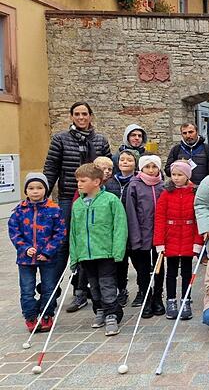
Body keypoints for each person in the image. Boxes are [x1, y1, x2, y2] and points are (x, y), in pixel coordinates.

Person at [43, 102, 111, 312]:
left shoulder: (100, 141)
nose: (81, 117)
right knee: (64, 244)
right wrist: (44, 196)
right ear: (71, 116)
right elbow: (51, 168)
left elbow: (108, 169)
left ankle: (81, 290)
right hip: (68, 198)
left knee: (88, 243)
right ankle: (50, 295)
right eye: (77, 114)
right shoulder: (60, 139)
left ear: (91, 116)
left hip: (95, 198)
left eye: (85, 114)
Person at [69, 163, 127, 336]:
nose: (79, 184)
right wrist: (74, 256)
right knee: (93, 285)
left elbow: (120, 226)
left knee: (107, 284)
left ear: (96, 181)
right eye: (77, 181)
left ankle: (112, 314)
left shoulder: (110, 200)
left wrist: (118, 251)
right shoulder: (78, 204)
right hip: (86, 254)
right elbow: (73, 232)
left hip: (105, 252)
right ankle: (99, 309)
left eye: (82, 180)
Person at [8, 173, 66, 332]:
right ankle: (30, 316)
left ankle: (47, 314)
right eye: (31, 188)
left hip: (48, 258)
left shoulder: (54, 210)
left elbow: (60, 233)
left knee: (49, 287)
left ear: (45, 190)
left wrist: (48, 251)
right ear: (26, 191)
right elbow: (14, 232)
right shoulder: (19, 211)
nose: (35, 191)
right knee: (27, 289)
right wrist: (25, 248)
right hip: (25, 259)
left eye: (39, 188)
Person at [153, 160, 204, 320]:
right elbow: (160, 218)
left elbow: (198, 218)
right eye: (174, 174)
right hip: (171, 236)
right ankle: (171, 300)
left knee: (187, 272)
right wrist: (159, 242)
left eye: (180, 175)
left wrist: (198, 241)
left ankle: (186, 300)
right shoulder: (166, 193)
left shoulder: (195, 193)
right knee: (171, 272)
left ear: (187, 176)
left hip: (188, 235)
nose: (176, 178)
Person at [125, 155, 166, 319]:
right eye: (147, 167)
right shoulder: (134, 186)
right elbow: (131, 212)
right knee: (142, 268)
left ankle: (158, 296)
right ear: (141, 169)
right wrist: (135, 237)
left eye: (154, 167)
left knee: (159, 267)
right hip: (141, 233)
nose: (151, 170)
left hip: (159, 235)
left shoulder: (163, 186)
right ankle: (146, 296)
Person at [104, 149, 139, 307]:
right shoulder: (110, 182)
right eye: (122, 159)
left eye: (129, 160)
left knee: (138, 260)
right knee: (120, 261)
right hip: (116, 229)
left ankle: (143, 289)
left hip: (134, 226)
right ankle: (122, 289)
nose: (125, 162)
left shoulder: (138, 181)